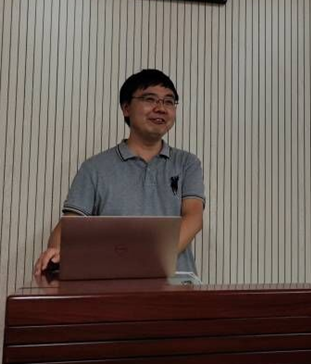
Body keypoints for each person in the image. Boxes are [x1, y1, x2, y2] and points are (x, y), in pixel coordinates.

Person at [34, 69, 205, 275]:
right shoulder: (95, 168)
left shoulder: (187, 163)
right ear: (126, 108)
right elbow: (70, 227)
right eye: (150, 99)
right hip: (112, 283)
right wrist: (56, 252)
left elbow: (193, 218)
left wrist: (143, 261)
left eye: (169, 101)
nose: (161, 108)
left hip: (176, 282)